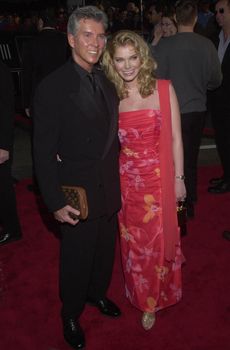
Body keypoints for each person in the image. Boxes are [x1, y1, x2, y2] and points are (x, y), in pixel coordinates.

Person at [33, 6, 121, 350]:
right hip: (76, 191)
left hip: (109, 186)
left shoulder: (107, 80)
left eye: (101, 36)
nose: (96, 42)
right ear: (70, 38)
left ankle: (96, 295)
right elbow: (42, 153)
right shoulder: (52, 87)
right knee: (76, 258)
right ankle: (70, 314)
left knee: (104, 254)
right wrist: (53, 202)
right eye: (87, 34)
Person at [102, 30, 186, 331]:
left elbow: (176, 139)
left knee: (157, 242)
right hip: (126, 184)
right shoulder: (111, 95)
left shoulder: (163, 89)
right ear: (112, 62)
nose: (127, 66)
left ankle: (157, 298)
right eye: (120, 59)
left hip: (159, 180)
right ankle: (142, 297)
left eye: (133, 58)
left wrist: (179, 179)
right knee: (134, 246)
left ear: (142, 57)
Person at [152, 0, 222, 218]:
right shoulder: (207, 45)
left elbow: (153, 78)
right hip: (196, 110)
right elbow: (216, 80)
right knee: (190, 158)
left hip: (169, 111)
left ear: (176, 17)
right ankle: (188, 202)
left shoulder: (164, 46)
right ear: (194, 18)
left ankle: (174, 202)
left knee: (171, 159)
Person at [207, 0, 230, 194]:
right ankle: (227, 176)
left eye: (222, 11)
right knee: (222, 140)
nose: (218, 15)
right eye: (216, 12)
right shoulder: (216, 38)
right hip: (217, 101)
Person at [0, 60, 22, 246]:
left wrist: (4, 146)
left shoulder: (1, 69)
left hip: (1, 143)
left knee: (3, 187)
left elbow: (7, 109)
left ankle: (12, 229)